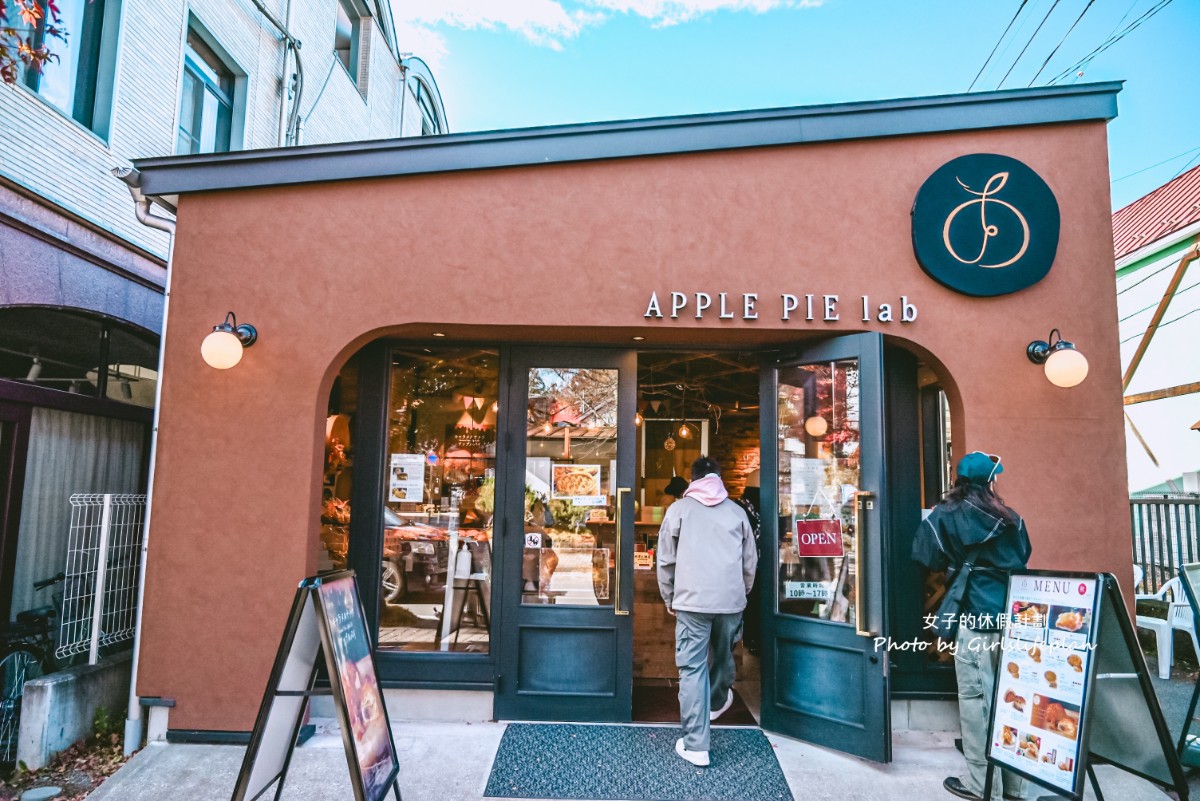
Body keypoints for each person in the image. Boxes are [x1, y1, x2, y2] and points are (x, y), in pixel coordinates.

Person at [912, 451, 1032, 801]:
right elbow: (1024, 556)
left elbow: (924, 555)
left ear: (959, 480)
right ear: (990, 481)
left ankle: (983, 787)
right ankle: (1014, 785)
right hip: (1013, 615)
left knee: (978, 701)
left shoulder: (944, 516)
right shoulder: (1012, 518)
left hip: (976, 616)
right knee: (1012, 700)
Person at [657, 456, 758, 767]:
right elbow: (749, 563)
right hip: (730, 601)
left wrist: (669, 597)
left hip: (691, 603)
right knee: (724, 655)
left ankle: (696, 744)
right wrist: (741, 593)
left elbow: (665, 561)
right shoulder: (737, 512)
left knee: (691, 669)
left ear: (693, 479)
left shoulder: (678, 511)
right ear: (719, 477)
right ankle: (716, 700)